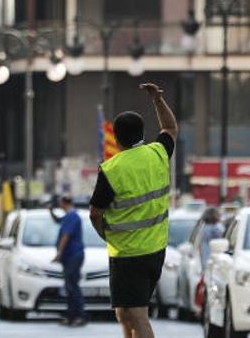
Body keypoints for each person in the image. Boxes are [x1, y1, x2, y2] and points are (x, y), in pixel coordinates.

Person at [90, 83, 177, 338]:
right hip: (155, 250)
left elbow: (95, 213)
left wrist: (104, 234)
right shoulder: (158, 153)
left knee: (136, 315)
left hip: (129, 254)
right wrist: (157, 100)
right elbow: (170, 128)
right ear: (142, 132)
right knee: (124, 313)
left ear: (115, 138)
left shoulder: (112, 169)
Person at [54, 195, 87, 327]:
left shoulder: (72, 216)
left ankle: (79, 315)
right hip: (70, 256)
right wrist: (50, 210)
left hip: (73, 255)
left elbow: (65, 235)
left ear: (63, 202)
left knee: (72, 286)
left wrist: (59, 253)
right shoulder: (69, 216)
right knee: (70, 286)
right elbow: (57, 220)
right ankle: (71, 315)